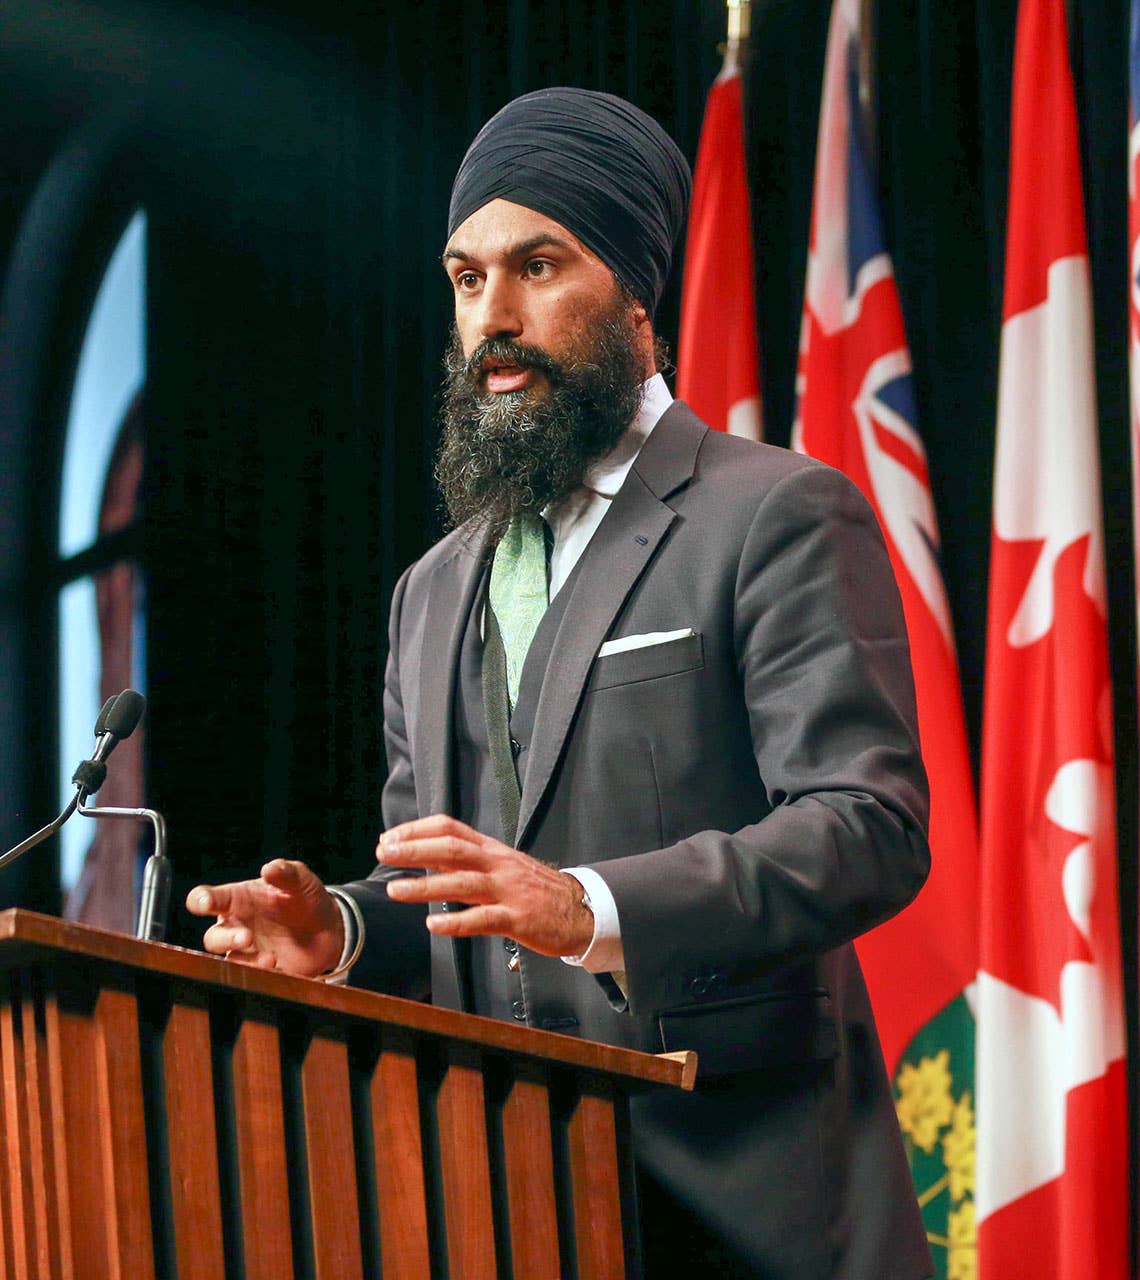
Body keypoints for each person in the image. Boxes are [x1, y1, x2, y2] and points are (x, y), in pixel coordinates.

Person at [184, 86, 934, 1280]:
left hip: (753, 1207)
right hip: (504, 1205)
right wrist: (337, 928)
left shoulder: (774, 513)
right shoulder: (428, 590)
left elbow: (867, 826)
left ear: (637, 289)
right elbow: (440, 896)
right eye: (469, 277)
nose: (496, 315)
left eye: (539, 264)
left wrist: (591, 906)